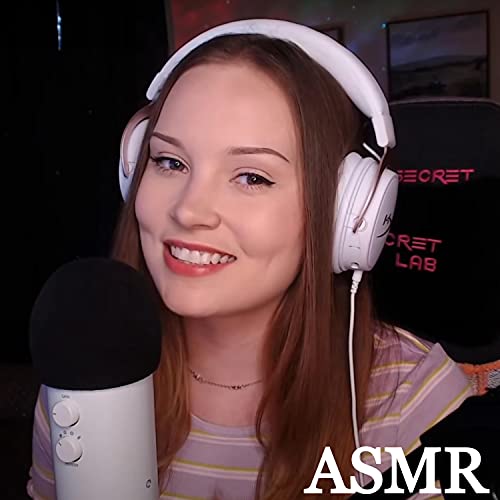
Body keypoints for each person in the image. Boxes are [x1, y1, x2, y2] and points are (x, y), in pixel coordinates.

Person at [27, 19, 473, 500]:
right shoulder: (88, 368)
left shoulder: (411, 398)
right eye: (170, 162)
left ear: (346, 214)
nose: (189, 211)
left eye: (252, 177)